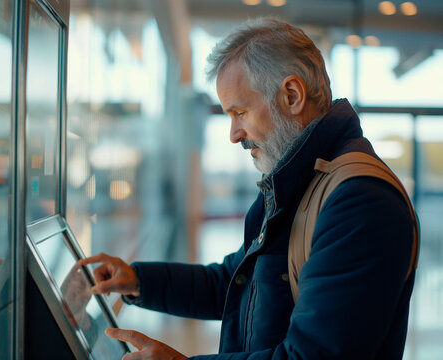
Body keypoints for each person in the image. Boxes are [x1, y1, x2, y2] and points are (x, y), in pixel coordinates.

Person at [81, 17, 418, 359]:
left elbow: (313, 355)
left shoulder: (359, 200)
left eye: (240, 112)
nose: (233, 134)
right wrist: (138, 280)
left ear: (291, 95)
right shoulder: (299, 180)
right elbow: (236, 283)